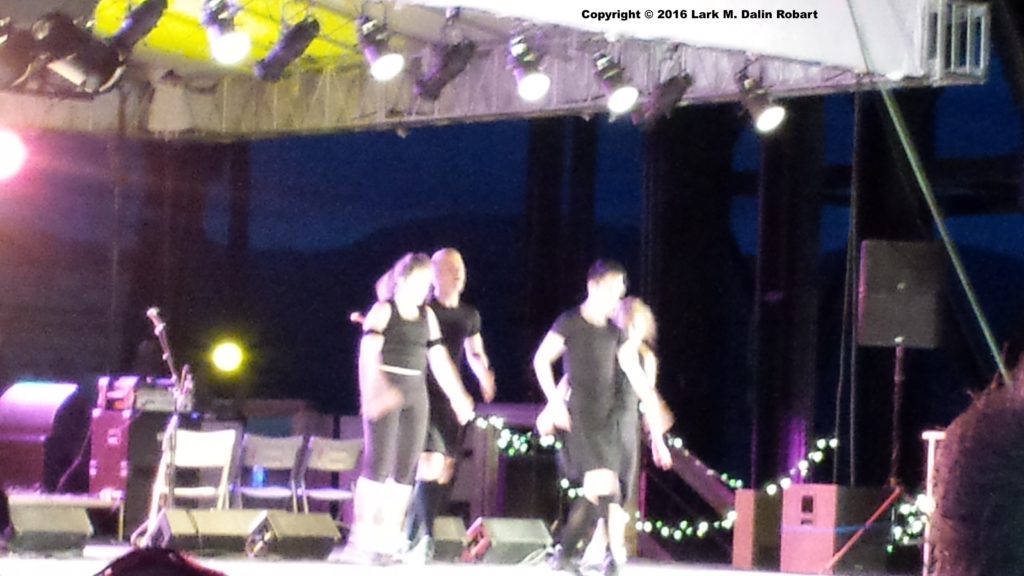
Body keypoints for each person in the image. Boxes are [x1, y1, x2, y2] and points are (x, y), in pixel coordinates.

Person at [532, 260, 670, 575]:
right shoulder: (569, 322)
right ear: (593, 286)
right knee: (602, 485)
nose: (616, 298)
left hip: (607, 422)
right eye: (611, 290)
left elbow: (637, 378)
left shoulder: (615, 333)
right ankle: (589, 555)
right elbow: (542, 360)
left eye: (619, 291)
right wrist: (554, 403)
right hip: (578, 418)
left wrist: (657, 429)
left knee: (605, 492)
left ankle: (567, 555)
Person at [344, 252, 475, 564]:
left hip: (416, 395)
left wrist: (458, 395)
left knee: (405, 470)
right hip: (385, 393)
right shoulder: (383, 311)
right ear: (402, 279)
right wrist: (374, 392)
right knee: (379, 465)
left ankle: (388, 539)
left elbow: (439, 360)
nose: (424, 290)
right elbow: (367, 355)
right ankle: (362, 538)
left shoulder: (427, 316)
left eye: (427, 284)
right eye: (419, 282)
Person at [405, 248, 497, 560]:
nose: (457, 274)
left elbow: (474, 351)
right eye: (449, 269)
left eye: (460, 268)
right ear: (434, 275)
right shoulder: (425, 310)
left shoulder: (469, 315)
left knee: (446, 470)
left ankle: (414, 534)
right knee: (430, 463)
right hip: (426, 393)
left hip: (455, 402)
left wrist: (484, 374)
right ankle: (423, 537)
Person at [580, 297, 673, 572]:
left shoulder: (646, 358)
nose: (633, 330)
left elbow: (649, 400)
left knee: (621, 493)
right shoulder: (606, 349)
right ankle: (608, 548)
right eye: (629, 324)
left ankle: (605, 549)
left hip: (627, 426)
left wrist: (658, 441)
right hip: (601, 426)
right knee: (603, 491)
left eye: (638, 325)